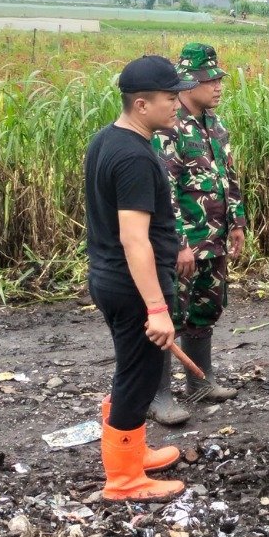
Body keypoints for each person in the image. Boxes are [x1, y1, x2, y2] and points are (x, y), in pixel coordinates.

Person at [83, 55, 195, 501]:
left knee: (132, 369)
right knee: (140, 376)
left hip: (110, 277)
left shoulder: (107, 140)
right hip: (131, 285)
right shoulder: (133, 157)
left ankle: (133, 451)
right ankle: (125, 480)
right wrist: (156, 307)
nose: (178, 105)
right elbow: (135, 239)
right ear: (142, 104)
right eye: (171, 98)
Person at [148, 43, 245, 423]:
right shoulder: (169, 129)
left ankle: (199, 383)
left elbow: (228, 177)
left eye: (219, 79)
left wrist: (236, 222)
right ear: (188, 85)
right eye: (210, 80)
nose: (217, 86)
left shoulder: (215, 126)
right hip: (186, 243)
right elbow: (165, 190)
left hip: (215, 238)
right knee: (169, 316)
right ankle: (158, 397)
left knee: (205, 308)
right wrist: (179, 244)